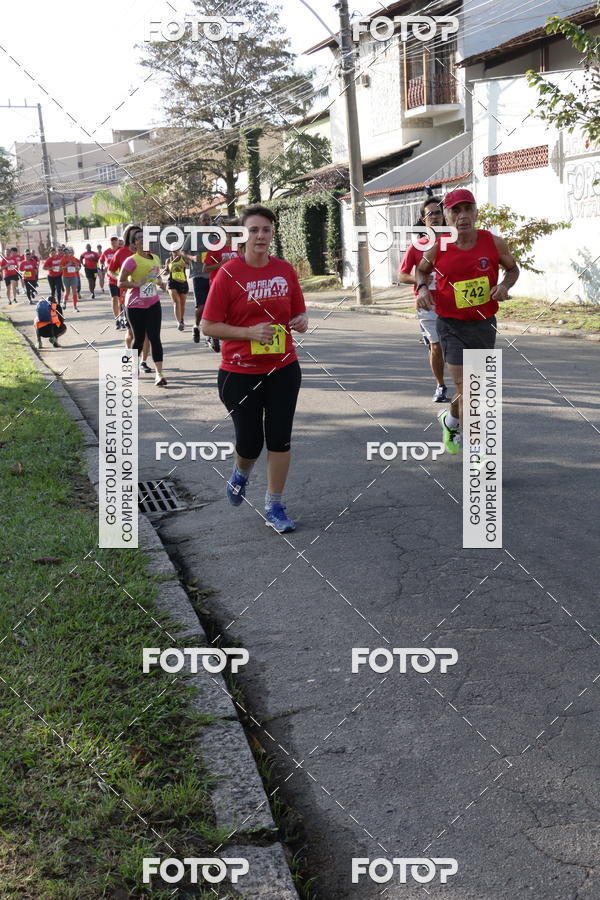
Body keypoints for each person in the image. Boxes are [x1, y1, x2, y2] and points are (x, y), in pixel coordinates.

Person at [202, 204, 308, 534]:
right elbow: (208, 325)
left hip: (283, 368)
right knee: (250, 443)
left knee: (280, 439)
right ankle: (241, 473)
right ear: (243, 235)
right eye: (254, 230)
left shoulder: (285, 270)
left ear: (272, 233)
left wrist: (302, 321)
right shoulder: (228, 273)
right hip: (238, 373)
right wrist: (248, 333)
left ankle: (274, 504)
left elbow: (298, 312)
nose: (260, 236)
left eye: (266, 230)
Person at [416, 188, 519, 454]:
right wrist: (423, 289)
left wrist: (505, 286)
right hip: (450, 325)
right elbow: (421, 271)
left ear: (475, 212)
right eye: (455, 210)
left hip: (484, 324)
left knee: (474, 389)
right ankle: (479, 453)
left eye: (467, 209)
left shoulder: (493, 242)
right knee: (470, 389)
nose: (462, 216)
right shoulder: (439, 246)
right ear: (447, 217)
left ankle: (450, 420)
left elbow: (512, 268)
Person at [398, 196, 449, 402]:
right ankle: (441, 385)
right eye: (430, 214)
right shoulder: (417, 246)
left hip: (453, 301)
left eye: (438, 213)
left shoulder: (453, 242)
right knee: (436, 345)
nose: (435, 217)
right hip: (428, 303)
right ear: (423, 219)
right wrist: (421, 278)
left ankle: (467, 386)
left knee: (456, 345)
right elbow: (401, 275)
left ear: (444, 217)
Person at [118, 227, 167, 387]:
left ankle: (159, 375)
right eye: (138, 238)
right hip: (135, 305)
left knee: (155, 337)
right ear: (134, 244)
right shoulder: (131, 260)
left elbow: (156, 278)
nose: (142, 239)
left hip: (153, 302)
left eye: (144, 237)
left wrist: (161, 284)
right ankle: (133, 368)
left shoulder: (156, 259)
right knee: (139, 338)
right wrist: (137, 283)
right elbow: (120, 282)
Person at [203, 219, 241, 353]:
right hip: (218, 287)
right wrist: (221, 264)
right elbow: (205, 269)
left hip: (236, 288)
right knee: (219, 317)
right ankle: (212, 335)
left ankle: (233, 347)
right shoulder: (215, 246)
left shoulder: (240, 246)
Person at [184, 211, 214, 344]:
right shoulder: (193, 236)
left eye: (209, 220)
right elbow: (183, 252)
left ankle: (210, 333)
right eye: (204, 220)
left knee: (213, 306)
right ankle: (196, 325)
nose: (207, 222)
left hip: (213, 275)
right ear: (199, 222)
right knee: (201, 306)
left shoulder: (215, 236)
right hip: (198, 274)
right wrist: (192, 257)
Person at [100, 235, 121, 327]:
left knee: (122, 300)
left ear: (118, 241)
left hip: (122, 279)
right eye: (112, 240)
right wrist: (102, 267)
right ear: (110, 242)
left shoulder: (122, 250)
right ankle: (117, 319)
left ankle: (123, 317)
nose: (113, 242)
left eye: (115, 240)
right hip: (111, 279)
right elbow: (100, 262)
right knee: (114, 299)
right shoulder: (106, 252)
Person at [165, 248, 189, 330]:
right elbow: (166, 271)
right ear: (171, 252)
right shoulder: (168, 260)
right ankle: (178, 322)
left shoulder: (183, 258)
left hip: (183, 282)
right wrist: (165, 271)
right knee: (176, 302)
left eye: (177, 251)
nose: (176, 253)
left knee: (182, 303)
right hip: (172, 283)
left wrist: (185, 265)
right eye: (174, 251)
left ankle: (181, 320)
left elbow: (190, 266)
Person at [61, 247, 81, 311]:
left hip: (73, 276)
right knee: (67, 291)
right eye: (68, 252)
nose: (69, 253)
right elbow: (60, 268)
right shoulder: (63, 259)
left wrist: (77, 268)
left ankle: (75, 306)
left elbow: (78, 268)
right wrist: (67, 265)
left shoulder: (74, 259)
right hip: (66, 277)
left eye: (71, 252)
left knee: (74, 291)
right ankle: (64, 302)